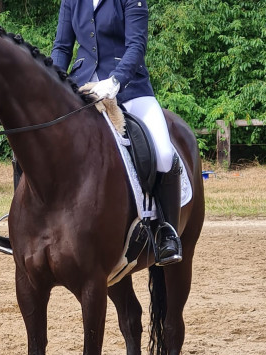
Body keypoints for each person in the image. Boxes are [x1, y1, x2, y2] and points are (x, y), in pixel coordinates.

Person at [50, 0, 182, 266]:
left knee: (165, 154)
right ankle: (29, 227)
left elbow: (136, 46)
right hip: (82, 89)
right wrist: (53, 85)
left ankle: (165, 232)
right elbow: (62, 47)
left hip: (130, 88)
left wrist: (115, 81)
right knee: (39, 144)